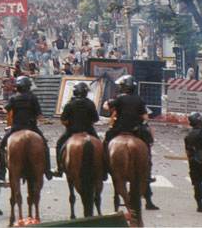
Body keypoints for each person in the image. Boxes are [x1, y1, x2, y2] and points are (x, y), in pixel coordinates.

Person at [102, 74, 157, 209]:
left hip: (119, 129)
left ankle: (103, 168)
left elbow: (106, 107)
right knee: (146, 149)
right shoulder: (139, 99)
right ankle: (148, 172)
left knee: (106, 143)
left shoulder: (119, 98)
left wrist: (107, 102)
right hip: (136, 131)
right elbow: (145, 117)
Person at [0, 76, 52, 181]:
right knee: (45, 146)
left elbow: (5, 110)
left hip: (16, 127)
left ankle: (2, 171)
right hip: (31, 127)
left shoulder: (13, 98)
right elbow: (39, 115)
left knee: (1, 147)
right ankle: (47, 171)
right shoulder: (33, 98)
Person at [52, 82, 99, 177]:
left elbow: (63, 120)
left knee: (59, 144)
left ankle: (59, 169)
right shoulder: (90, 104)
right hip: (88, 131)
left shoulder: (69, 104)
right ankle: (102, 169)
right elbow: (95, 119)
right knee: (100, 145)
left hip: (71, 131)